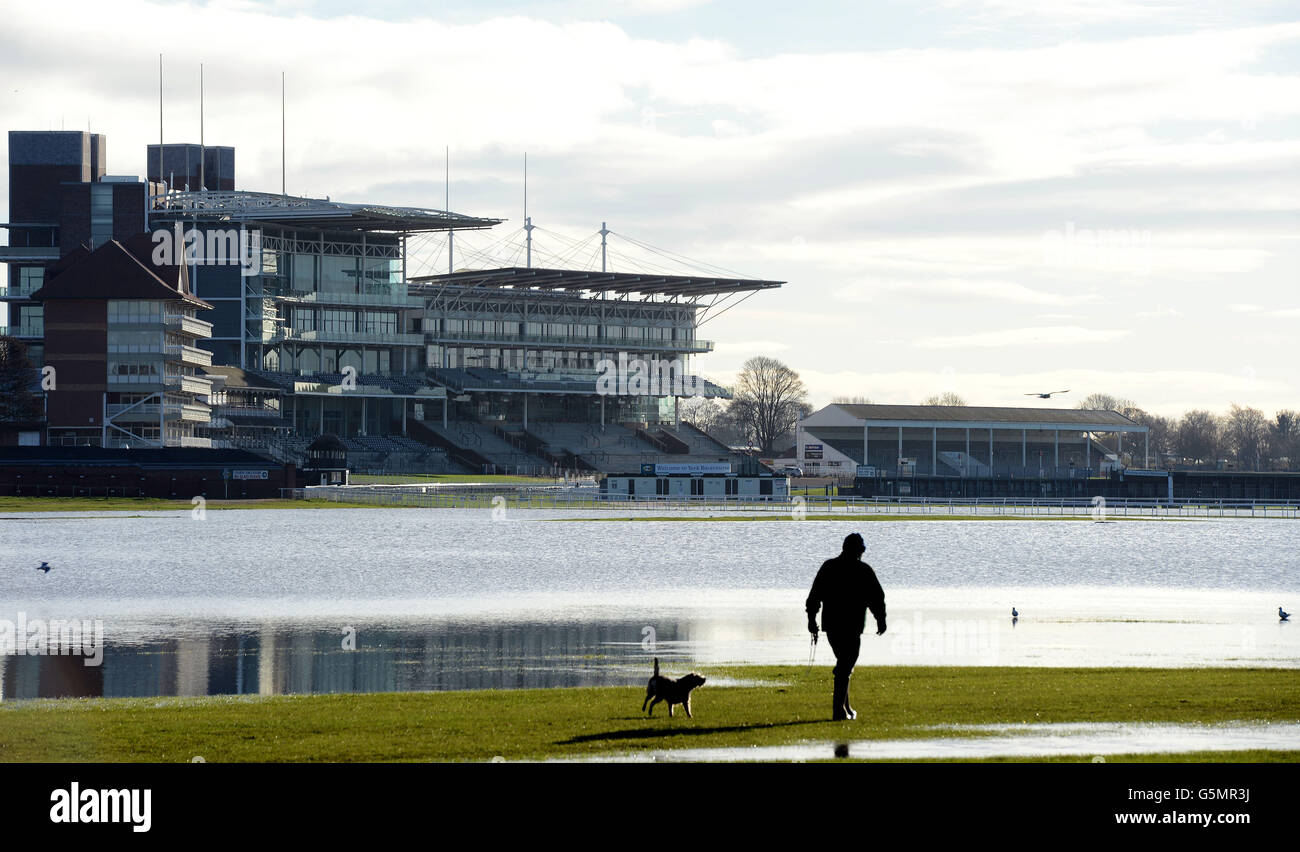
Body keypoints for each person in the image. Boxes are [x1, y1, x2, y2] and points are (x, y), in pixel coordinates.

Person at [805, 532, 886, 720]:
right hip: (852, 625)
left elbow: (814, 596)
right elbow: (876, 598)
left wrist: (811, 619)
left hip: (832, 626)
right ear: (859, 550)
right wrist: (880, 619)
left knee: (844, 662)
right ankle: (838, 710)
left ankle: (846, 707)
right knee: (845, 663)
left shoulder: (829, 567)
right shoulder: (863, 570)